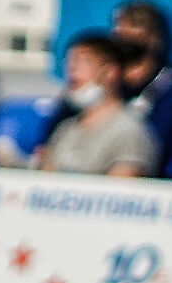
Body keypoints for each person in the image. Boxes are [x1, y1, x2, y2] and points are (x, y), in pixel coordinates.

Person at [36, 30, 157, 178]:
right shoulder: (65, 130)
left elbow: (122, 192)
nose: (72, 70)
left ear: (110, 72)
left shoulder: (131, 132)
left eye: (83, 62)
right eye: (69, 63)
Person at [113, 0, 172, 179]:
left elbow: (165, 138)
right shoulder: (107, 79)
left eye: (134, 25)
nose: (123, 32)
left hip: (159, 178)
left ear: (156, 37)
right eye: (119, 25)